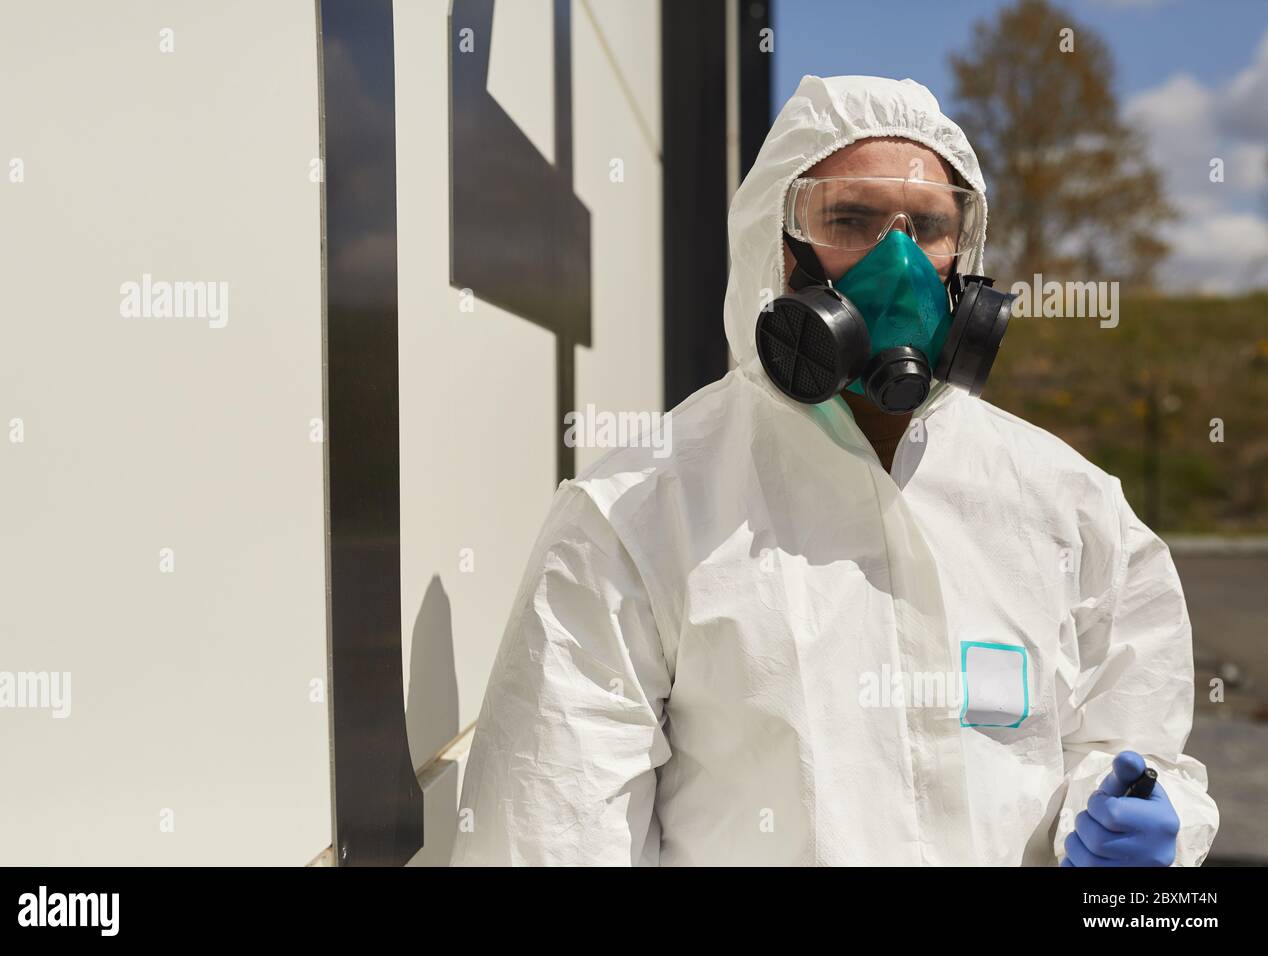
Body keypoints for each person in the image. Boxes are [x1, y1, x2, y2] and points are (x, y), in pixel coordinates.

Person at [449, 75, 1218, 866]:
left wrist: (1138, 822)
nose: (899, 261)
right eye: (849, 219)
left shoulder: (1070, 506)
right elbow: (547, 830)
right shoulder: (640, 509)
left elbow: (1140, 747)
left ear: (965, 256)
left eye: (928, 226)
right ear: (776, 246)